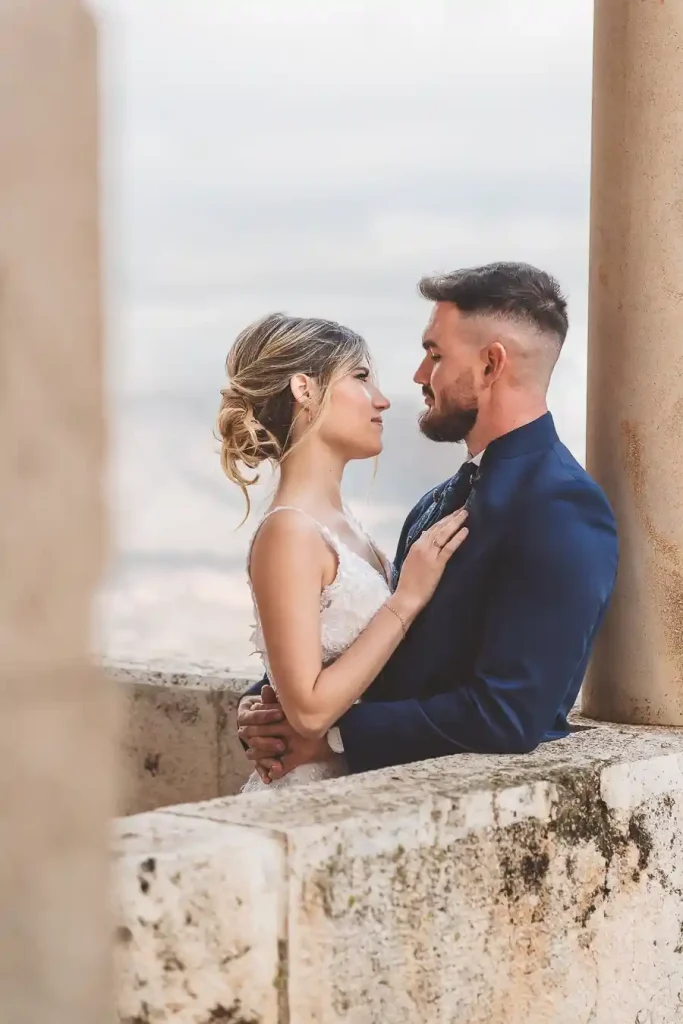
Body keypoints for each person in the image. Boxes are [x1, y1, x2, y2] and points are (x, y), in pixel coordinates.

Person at [237, 262, 619, 783]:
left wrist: (331, 737)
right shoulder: (433, 504)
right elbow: (360, 646)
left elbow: (510, 714)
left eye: (434, 355)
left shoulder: (562, 507)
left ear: (490, 365)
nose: (418, 376)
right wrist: (263, 706)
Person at [217, 313, 470, 791]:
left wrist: (256, 700)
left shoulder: (345, 526)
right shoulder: (289, 532)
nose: (382, 399)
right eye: (360, 377)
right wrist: (406, 599)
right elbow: (310, 710)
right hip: (310, 795)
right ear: (304, 390)